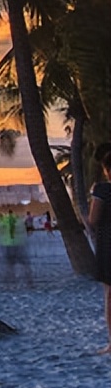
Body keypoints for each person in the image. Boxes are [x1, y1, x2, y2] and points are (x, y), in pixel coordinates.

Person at [88, 142, 111, 354]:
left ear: (106, 169)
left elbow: (93, 220)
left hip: (108, 246)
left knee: (110, 295)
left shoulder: (102, 190)